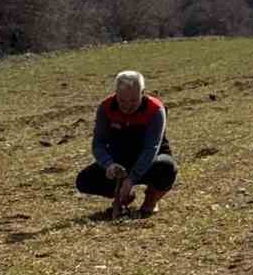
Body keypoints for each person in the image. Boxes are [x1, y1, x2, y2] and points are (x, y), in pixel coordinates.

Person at [75, 69, 177, 218]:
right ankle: (122, 197)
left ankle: (151, 200)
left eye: (133, 101)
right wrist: (108, 164)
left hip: (150, 160)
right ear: (115, 93)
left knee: (167, 168)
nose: (127, 106)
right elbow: (98, 143)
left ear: (143, 93)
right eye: (122, 100)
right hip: (120, 161)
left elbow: (151, 147)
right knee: (84, 181)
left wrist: (132, 179)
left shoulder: (156, 110)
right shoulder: (105, 108)